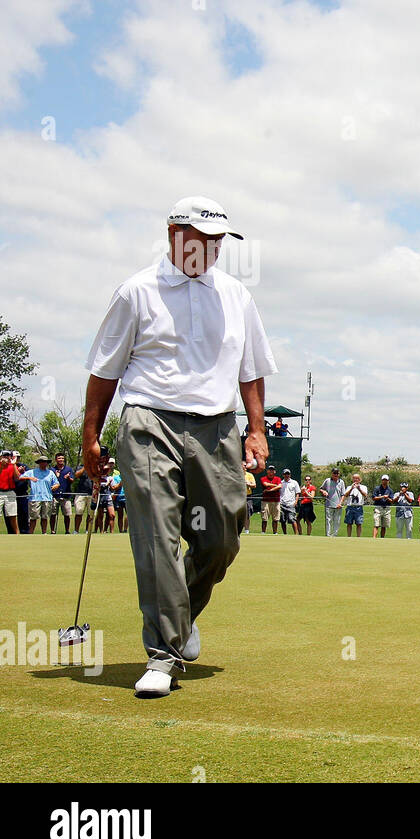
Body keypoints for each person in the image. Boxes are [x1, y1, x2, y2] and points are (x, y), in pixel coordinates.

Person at [82, 194, 275, 697]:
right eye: (199, 238)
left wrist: (255, 429)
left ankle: (181, 613)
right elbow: (104, 371)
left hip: (215, 427)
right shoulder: (136, 292)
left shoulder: (236, 295)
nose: (209, 249)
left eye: (217, 241)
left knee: (221, 539)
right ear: (173, 234)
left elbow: (250, 370)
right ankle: (163, 655)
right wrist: (91, 437)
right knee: (157, 535)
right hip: (149, 420)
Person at [20, 456, 59, 534]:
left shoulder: (50, 473)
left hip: (47, 498)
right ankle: (31, 533)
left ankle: (44, 533)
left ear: (47, 463)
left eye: (45, 462)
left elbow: (57, 483)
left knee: (45, 517)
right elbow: (20, 477)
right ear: (39, 463)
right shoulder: (32, 472)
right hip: (35, 498)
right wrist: (30, 478)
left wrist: (55, 486)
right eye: (41, 462)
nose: (43, 463)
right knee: (33, 518)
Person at [96, 459, 121, 533]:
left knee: (112, 515)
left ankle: (112, 531)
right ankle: (101, 531)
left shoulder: (110, 478)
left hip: (108, 497)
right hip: (100, 497)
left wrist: (110, 484)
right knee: (100, 516)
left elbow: (113, 488)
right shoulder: (98, 478)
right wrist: (105, 484)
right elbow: (97, 487)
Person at [53, 453, 76, 533]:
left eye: (62, 458)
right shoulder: (52, 470)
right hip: (54, 495)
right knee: (53, 514)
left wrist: (68, 478)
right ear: (56, 459)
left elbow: (73, 480)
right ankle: (52, 531)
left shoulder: (68, 469)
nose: (61, 460)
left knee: (67, 514)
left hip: (66, 495)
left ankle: (67, 531)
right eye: (59, 458)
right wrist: (57, 476)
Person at [321, 468, 345, 537]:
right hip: (328, 504)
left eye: (337, 473)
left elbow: (343, 494)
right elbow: (321, 488)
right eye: (334, 473)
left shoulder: (341, 482)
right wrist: (323, 491)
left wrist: (340, 503)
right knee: (328, 520)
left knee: (337, 521)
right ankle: (328, 535)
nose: (336, 475)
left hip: (338, 505)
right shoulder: (327, 480)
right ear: (332, 473)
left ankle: (335, 535)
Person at [71, 461, 94, 533]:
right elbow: (76, 475)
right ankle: (76, 530)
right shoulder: (80, 467)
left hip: (92, 493)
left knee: (90, 513)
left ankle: (88, 530)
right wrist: (85, 467)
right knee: (79, 512)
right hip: (81, 493)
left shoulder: (95, 466)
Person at [0, 450, 18, 534]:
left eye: (8, 456)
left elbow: (17, 478)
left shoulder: (12, 466)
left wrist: (14, 464)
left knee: (12, 515)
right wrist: (1, 465)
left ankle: (17, 534)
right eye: (4, 456)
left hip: (10, 492)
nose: (6, 457)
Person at [277, 468, 300, 534]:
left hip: (291, 504)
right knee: (282, 520)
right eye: (285, 474)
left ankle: (296, 534)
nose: (287, 475)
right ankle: (285, 534)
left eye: (288, 474)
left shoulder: (294, 482)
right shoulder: (281, 483)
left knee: (292, 519)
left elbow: (297, 493)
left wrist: (296, 502)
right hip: (282, 503)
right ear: (283, 475)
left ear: (290, 475)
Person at [259, 467, 282, 534]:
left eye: (272, 470)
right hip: (266, 501)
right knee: (264, 518)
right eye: (270, 470)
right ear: (267, 471)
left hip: (276, 501)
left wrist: (270, 490)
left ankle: (275, 532)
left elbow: (280, 486)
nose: (271, 471)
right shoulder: (263, 478)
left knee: (276, 518)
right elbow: (266, 484)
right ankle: (263, 532)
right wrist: (275, 485)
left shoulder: (278, 478)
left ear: (275, 472)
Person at [12, 452, 30, 534]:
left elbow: (30, 477)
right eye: (15, 457)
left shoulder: (24, 466)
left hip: (22, 494)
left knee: (24, 514)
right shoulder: (7, 466)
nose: (17, 459)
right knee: (11, 515)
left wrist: (23, 473)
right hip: (11, 493)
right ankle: (12, 532)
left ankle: (24, 532)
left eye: (18, 457)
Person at [372, 474, 394, 538]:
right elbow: (373, 498)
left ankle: (382, 538)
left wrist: (387, 498)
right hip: (378, 508)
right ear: (381, 480)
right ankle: (374, 538)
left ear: (388, 481)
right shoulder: (377, 488)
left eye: (386, 480)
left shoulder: (390, 490)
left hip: (386, 509)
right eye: (383, 480)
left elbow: (392, 501)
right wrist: (382, 496)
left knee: (384, 526)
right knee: (376, 524)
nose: (385, 481)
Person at [243, 468, 258, 534]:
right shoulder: (235, 474)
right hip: (237, 496)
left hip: (247, 496)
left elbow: (254, 485)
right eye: (244, 466)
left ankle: (247, 531)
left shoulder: (250, 475)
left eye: (245, 466)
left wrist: (248, 484)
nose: (245, 467)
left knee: (247, 514)